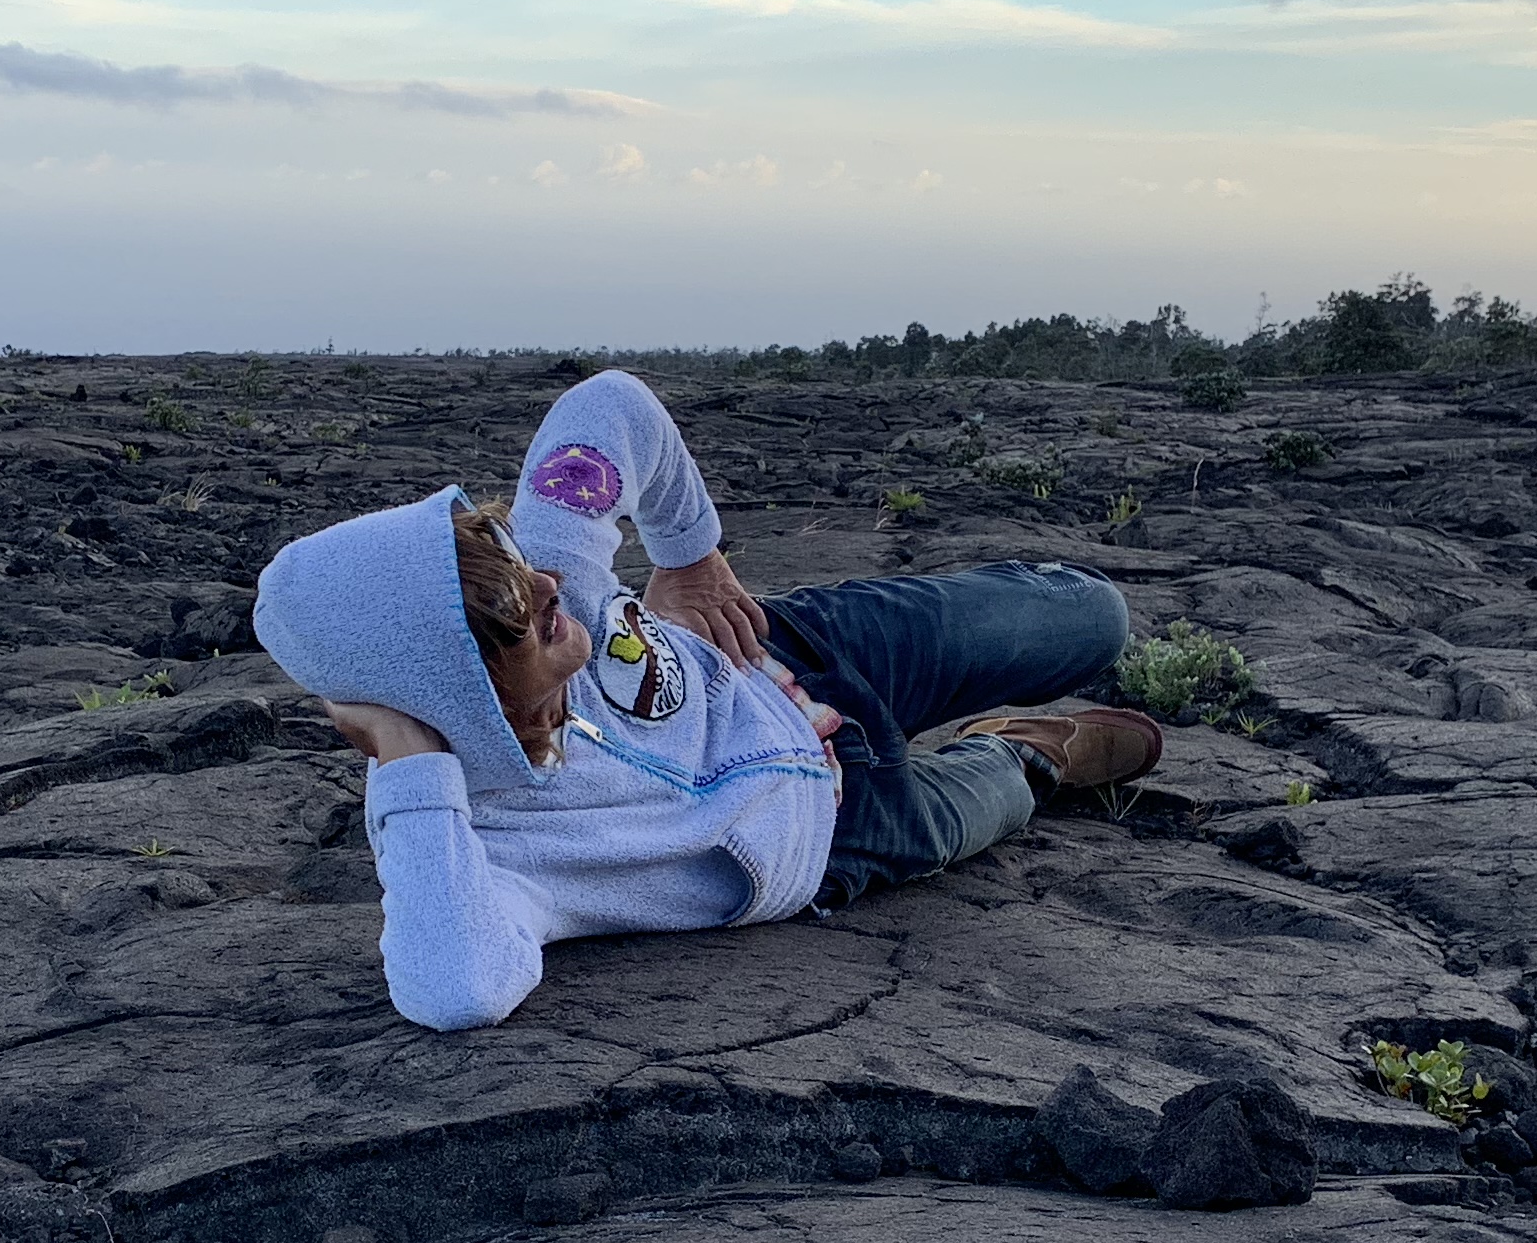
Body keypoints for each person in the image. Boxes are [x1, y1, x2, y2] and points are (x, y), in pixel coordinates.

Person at [249, 368, 1162, 1029]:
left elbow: (610, 404)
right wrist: (411, 766)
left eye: (510, 560)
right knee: (996, 797)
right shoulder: (493, 850)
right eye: (512, 616)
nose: (547, 590)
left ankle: (1012, 718)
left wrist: (688, 552)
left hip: (793, 654)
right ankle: (1025, 748)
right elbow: (455, 991)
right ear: (454, 693)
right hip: (841, 835)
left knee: (1094, 617)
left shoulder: (554, 565)